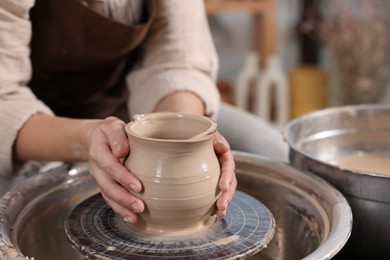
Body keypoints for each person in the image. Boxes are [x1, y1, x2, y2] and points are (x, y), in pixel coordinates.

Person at [0, 0, 288, 223]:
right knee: (25, 207)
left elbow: (176, 57)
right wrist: (88, 138)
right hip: (32, 124)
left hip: (133, 110)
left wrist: (182, 132)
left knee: (268, 147)